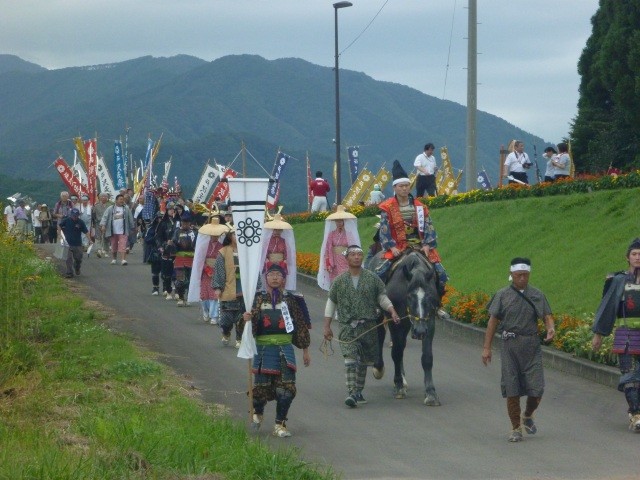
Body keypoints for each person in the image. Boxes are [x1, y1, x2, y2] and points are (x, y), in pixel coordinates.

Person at [481, 257, 555, 442]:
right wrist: (486, 348)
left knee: (537, 388)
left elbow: (547, 315)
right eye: (518, 275)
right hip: (510, 346)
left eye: (525, 275)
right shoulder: (502, 295)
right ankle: (515, 428)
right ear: (511, 275)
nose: (522, 278)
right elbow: (492, 322)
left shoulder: (537, 294)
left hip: (531, 346)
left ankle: (528, 414)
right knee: (512, 387)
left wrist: (550, 327)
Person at [323, 245, 400, 407]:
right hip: (347, 327)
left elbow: (382, 297)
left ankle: (358, 391)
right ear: (347, 258)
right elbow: (331, 303)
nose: (357, 257)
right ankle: (351, 392)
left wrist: (392, 311)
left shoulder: (372, 278)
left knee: (364, 361)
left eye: (359, 254)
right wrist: (327, 326)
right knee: (350, 359)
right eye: (353, 255)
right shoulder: (339, 282)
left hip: (369, 326)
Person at [243, 262, 311, 437]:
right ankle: (258, 412)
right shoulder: (257, 299)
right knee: (259, 390)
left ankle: (280, 425)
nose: (274, 277)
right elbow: (245, 328)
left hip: (284, 350)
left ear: (283, 279)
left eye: (278, 275)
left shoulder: (291, 300)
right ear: (266, 278)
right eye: (271, 274)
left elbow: (300, 325)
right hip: (263, 349)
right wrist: (246, 319)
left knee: (286, 390)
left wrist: (305, 350)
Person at [376, 160, 448, 295]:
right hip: (398, 247)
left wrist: (427, 244)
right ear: (395, 188)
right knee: (380, 274)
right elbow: (384, 229)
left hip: (420, 246)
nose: (404, 188)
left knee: (441, 275)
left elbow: (429, 227)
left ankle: (437, 305)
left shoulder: (420, 206)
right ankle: (379, 304)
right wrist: (392, 247)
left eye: (407, 185)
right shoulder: (387, 207)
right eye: (401, 186)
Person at [592, 238, 640, 432]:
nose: (638, 258)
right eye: (634, 254)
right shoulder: (618, 280)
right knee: (629, 376)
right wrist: (598, 334)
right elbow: (607, 307)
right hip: (626, 334)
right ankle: (636, 414)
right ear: (627, 258)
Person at [188, 215, 227, 324]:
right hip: (205, 272)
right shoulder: (204, 245)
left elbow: (224, 259)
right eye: (212, 235)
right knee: (204, 294)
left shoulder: (222, 246)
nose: (214, 236)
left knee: (214, 293)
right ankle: (205, 311)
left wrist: (217, 269)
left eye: (216, 235)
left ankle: (214, 316)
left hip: (217, 270)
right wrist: (206, 268)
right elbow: (200, 259)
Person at [213, 228, 246, 348]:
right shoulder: (223, 252)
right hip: (228, 288)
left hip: (243, 288)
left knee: (241, 317)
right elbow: (219, 270)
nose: (237, 237)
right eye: (234, 234)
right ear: (230, 236)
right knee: (226, 319)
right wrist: (218, 287)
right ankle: (226, 332)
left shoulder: (247, 252)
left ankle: (239, 338)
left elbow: (254, 270)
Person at [317, 205, 360, 291]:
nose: (339, 223)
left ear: (344, 221)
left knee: (346, 279)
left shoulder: (349, 234)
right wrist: (328, 263)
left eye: (340, 221)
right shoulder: (331, 234)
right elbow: (327, 248)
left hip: (345, 259)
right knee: (335, 281)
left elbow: (353, 247)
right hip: (334, 260)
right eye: (337, 221)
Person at [260, 213, 297, 291]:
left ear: (282, 230)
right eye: (275, 229)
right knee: (270, 281)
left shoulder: (284, 241)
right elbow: (264, 253)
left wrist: (285, 261)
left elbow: (287, 253)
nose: (277, 231)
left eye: (279, 230)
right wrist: (266, 260)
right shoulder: (267, 241)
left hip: (281, 264)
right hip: (269, 263)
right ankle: (269, 296)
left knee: (281, 281)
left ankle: (280, 297)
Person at [100, 193, 135, 266]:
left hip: (123, 231)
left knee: (123, 245)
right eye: (120, 199)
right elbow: (105, 217)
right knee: (114, 245)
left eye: (123, 199)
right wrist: (103, 225)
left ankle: (123, 260)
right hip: (113, 231)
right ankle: (114, 259)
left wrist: (132, 227)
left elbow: (130, 218)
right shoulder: (111, 208)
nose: (122, 201)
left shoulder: (126, 208)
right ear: (116, 200)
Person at [172, 212, 197, 306]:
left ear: (189, 223)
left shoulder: (194, 232)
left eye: (186, 223)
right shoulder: (177, 231)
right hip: (180, 258)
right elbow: (174, 242)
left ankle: (187, 297)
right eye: (183, 223)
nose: (185, 225)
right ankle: (181, 298)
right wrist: (173, 244)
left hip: (191, 259)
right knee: (180, 279)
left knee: (190, 280)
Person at [58, 208, 89, 278]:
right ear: (71, 215)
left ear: (78, 215)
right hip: (68, 243)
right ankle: (69, 272)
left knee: (78, 258)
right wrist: (59, 235)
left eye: (76, 215)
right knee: (68, 258)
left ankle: (77, 267)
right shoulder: (66, 220)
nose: (75, 217)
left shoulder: (81, 222)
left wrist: (90, 240)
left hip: (77, 243)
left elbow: (86, 231)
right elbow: (59, 226)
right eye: (73, 215)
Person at [157, 205, 178, 299]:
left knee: (179, 272)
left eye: (173, 209)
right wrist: (161, 246)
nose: (172, 211)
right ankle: (168, 290)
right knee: (166, 272)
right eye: (170, 209)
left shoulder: (179, 222)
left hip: (177, 250)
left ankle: (178, 291)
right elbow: (158, 237)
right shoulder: (163, 223)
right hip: (166, 250)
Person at [92, 192, 112, 258]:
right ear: (99, 198)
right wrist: (94, 223)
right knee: (98, 237)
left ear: (107, 198)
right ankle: (99, 250)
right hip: (98, 223)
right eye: (102, 196)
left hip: (108, 224)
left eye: (105, 196)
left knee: (107, 237)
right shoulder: (96, 205)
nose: (103, 198)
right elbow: (93, 215)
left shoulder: (110, 206)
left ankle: (106, 251)